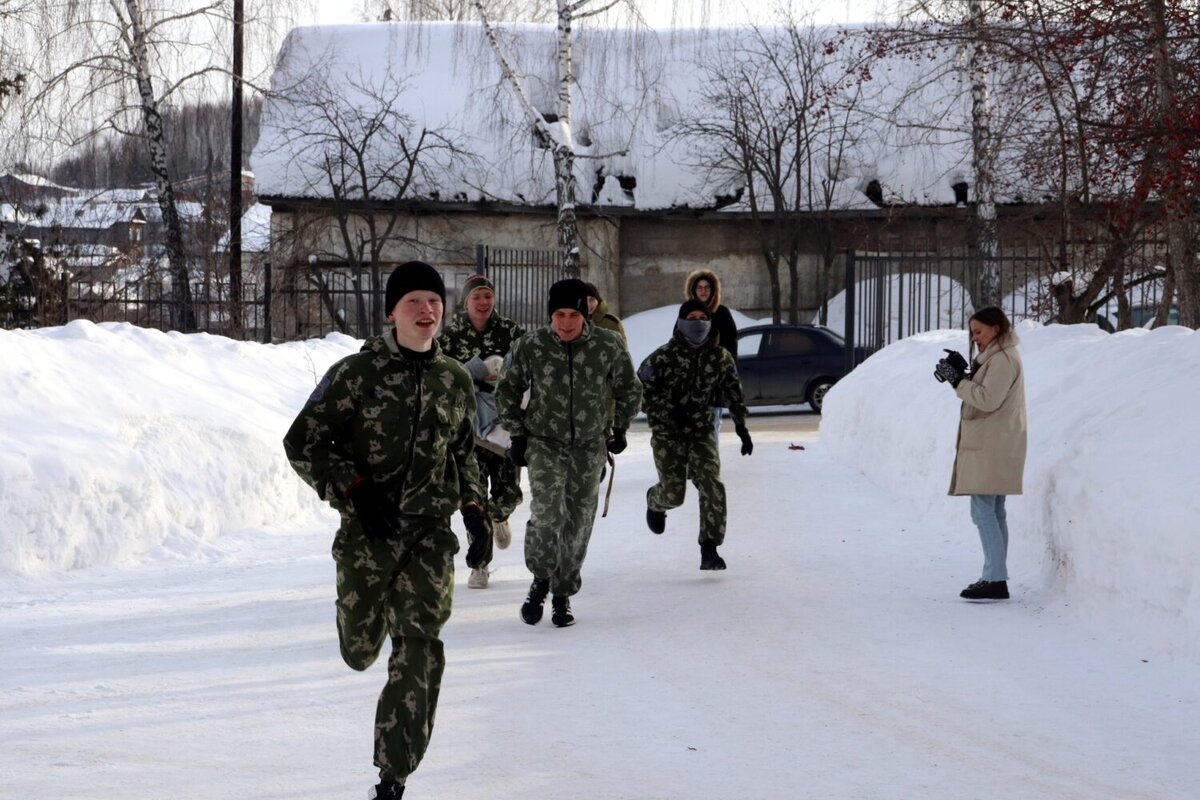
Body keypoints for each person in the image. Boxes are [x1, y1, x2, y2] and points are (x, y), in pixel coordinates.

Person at [283, 260, 485, 800]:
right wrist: (352, 487)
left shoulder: (455, 379)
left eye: (434, 301)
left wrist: (473, 508)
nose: (427, 310)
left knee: (419, 647)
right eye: (414, 301)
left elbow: (465, 455)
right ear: (392, 311)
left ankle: (393, 776)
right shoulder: (355, 374)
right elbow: (301, 443)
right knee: (359, 650)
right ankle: (360, 629)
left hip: (428, 538)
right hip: (366, 538)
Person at [495, 278, 642, 627]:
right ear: (550, 315)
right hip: (544, 442)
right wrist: (517, 435)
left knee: (577, 522)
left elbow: (629, 387)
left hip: (589, 447)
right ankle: (541, 579)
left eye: (573, 314)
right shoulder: (531, 345)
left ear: (584, 314)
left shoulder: (607, 345)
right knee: (548, 514)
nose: (565, 322)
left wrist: (619, 428)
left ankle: (562, 595)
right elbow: (506, 389)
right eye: (558, 314)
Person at [639, 299, 753, 570]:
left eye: (703, 317)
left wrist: (742, 427)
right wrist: (667, 411)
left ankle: (709, 548)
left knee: (712, 483)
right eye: (691, 317)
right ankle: (655, 502)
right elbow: (640, 391)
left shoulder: (720, 357)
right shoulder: (663, 357)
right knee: (674, 493)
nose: (698, 322)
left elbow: (734, 392)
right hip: (668, 432)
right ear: (680, 322)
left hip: (701, 430)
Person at [439, 274, 526, 589]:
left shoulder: (512, 332)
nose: (483, 302)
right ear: (466, 301)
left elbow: (528, 369)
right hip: (469, 433)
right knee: (473, 500)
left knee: (506, 495)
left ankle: (499, 515)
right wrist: (469, 374)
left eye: (487, 296)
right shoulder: (450, 337)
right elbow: (441, 376)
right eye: (477, 297)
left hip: (503, 430)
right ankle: (480, 565)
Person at [934, 306, 1027, 601]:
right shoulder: (998, 356)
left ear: (996, 329)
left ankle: (995, 579)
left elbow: (988, 399)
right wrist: (966, 375)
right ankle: (993, 576)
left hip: (993, 443)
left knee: (983, 511)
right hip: (996, 441)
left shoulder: (1002, 360)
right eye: (972, 333)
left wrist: (958, 381)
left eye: (979, 332)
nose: (974, 338)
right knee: (994, 511)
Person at [684, 269, 738, 429]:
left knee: (711, 430)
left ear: (713, 290)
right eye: (699, 287)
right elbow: (677, 345)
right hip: (690, 387)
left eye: (707, 287)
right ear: (693, 290)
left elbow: (731, 351)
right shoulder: (686, 315)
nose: (703, 291)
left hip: (713, 385)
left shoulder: (722, 314)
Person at [583, 281, 628, 347]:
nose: (588, 305)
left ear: (597, 299)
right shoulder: (575, 322)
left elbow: (623, 351)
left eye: (591, 300)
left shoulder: (612, 323)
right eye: (584, 300)